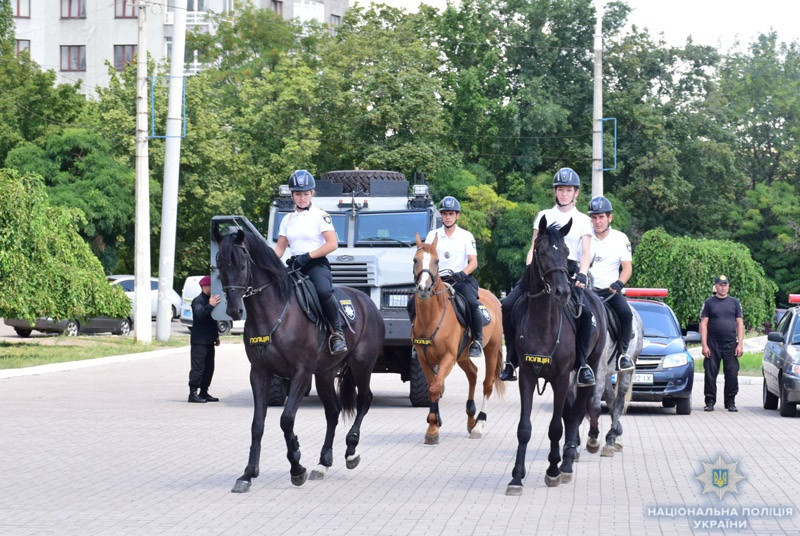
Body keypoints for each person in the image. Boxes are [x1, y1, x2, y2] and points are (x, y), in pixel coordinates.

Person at [500, 167, 595, 386]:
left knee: (587, 312)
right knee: (508, 305)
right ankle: (511, 360)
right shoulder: (544, 215)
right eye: (560, 189)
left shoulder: (581, 220)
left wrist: (582, 273)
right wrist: (529, 269)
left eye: (568, 190)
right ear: (555, 192)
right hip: (541, 270)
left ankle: (582, 364)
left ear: (576, 193)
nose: (564, 193)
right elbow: (533, 246)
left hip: (569, 272)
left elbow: (586, 252)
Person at [274, 169, 347, 354]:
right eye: (298, 194)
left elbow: (332, 244)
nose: (302, 198)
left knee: (323, 291)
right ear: (292, 195)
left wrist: (308, 256)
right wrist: (267, 262)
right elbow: (280, 248)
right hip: (294, 265)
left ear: (312, 193)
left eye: (305, 193)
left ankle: (337, 333)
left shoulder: (321, 216)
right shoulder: (286, 219)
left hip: (316, 264)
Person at [408, 196, 483, 358]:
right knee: (411, 302)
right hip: (438, 280)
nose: (447, 217)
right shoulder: (433, 235)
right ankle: (416, 340)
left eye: (451, 213)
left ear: (457, 216)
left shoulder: (466, 236)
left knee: (471, 302)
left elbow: (473, 262)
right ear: (441, 215)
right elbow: (425, 257)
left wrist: (462, 273)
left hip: (461, 279)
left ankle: (477, 340)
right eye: (444, 213)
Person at [587, 196, 635, 372]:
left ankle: (623, 354)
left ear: (610, 218)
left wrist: (619, 283)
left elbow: (627, 268)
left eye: (601, 217)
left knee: (626, 315)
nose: (597, 221)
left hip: (610, 292)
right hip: (587, 292)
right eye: (594, 217)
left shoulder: (620, 238)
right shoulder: (585, 237)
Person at [699, 275, 744, 412]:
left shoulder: (735, 303)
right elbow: (704, 324)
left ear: (728, 286)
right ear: (716, 286)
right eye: (720, 285)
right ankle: (710, 401)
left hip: (731, 344)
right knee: (710, 374)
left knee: (732, 373)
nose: (723, 287)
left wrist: (740, 344)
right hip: (713, 344)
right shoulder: (709, 303)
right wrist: (704, 345)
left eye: (725, 285)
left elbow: (740, 324)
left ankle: (730, 402)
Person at [188, 275, 221, 403]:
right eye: (211, 286)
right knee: (198, 367)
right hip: (199, 341)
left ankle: (204, 392)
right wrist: (210, 306)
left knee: (209, 368)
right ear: (205, 286)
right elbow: (200, 316)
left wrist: (216, 336)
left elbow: (212, 321)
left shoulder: (212, 300)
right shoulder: (198, 301)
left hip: (209, 340)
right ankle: (193, 393)